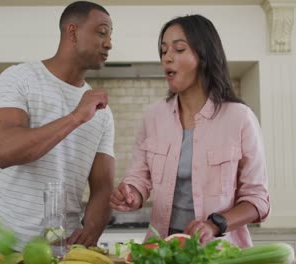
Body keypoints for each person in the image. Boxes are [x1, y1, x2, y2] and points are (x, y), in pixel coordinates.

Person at [110, 14, 270, 248]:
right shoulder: (153, 117)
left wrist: (215, 224)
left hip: (219, 250)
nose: (167, 58)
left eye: (179, 49)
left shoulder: (239, 118)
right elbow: (139, 179)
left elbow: (258, 201)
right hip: (160, 251)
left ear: (204, 55)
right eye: (164, 51)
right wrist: (131, 194)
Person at [0, 1, 115, 251]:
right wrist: (76, 116)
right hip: (5, 246)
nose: (109, 43)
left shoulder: (102, 113)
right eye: (101, 32)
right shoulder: (19, 78)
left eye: (110, 35)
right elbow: (6, 151)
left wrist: (90, 232)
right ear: (73, 32)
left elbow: (103, 186)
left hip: (62, 251)